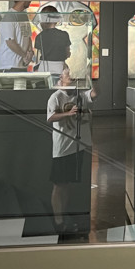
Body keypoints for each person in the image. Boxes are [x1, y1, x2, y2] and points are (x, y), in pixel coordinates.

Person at [46, 67, 98, 234]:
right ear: (61, 78)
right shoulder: (55, 97)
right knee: (59, 185)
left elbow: (94, 94)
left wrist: (93, 78)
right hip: (62, 147)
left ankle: (64, 216)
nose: (72, 78)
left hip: (77, 146)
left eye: (73, 76)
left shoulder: (79, 95)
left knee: (67, 184)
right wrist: (67, 114)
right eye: (68, 75)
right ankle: (58, 220)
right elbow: (50, 117)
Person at [0, 0, 33, 72]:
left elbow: (28, 36)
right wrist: (25, 55)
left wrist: (30, 52)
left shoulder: (24, 16)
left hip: (22, 65)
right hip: (10, 65)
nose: (31, 0)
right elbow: (10, 42)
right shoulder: (9, 16)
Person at [34, 5, 72, 78]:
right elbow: (67, 53)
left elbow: (37, 56)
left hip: (43, 68)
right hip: (59, 67)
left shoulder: (39, 36)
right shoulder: (64, 35)